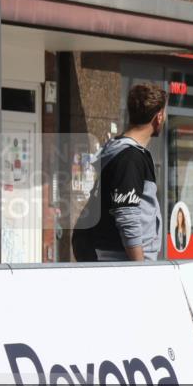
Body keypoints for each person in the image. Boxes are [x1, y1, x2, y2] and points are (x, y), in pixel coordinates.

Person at [73, 83, 167, 262]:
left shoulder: (122, 151)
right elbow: (127, 216)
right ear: (159, 117)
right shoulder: (130, 158)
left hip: (116, 259)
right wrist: (139, 268)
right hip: (120, 262)